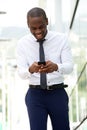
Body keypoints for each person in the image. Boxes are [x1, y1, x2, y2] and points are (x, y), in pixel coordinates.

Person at [17, 7, 73, 130]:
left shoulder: (61, 39)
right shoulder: (22, 43)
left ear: (47, 21)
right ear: (28, 25)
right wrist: (30, 69)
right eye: (33, 28)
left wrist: (56, 66)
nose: (38, 31)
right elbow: (21, 73)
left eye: (41, 26)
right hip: (35, 95)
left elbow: (69, 67)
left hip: (57, 94)